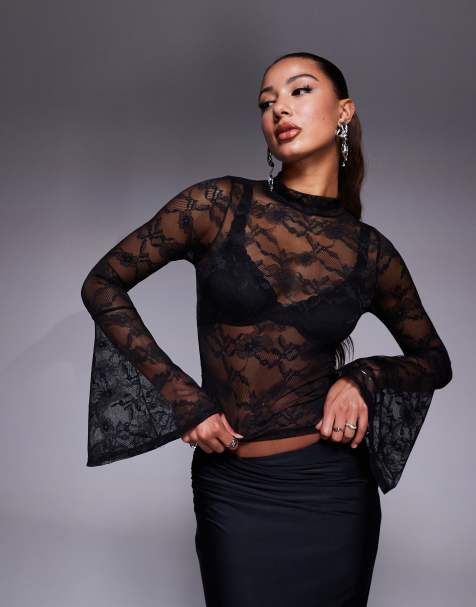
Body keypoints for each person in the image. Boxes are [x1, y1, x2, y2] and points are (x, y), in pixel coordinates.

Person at [80, 52, 453, 606]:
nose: (279, 108)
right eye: (266, 102)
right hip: (235, 491)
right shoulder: (218, 204)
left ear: (344, 111)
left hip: (333, 493)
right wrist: (184, 399)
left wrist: (363, 376)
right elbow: (102, 284)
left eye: (299, 91)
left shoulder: (371, 253)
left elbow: (435, 362)